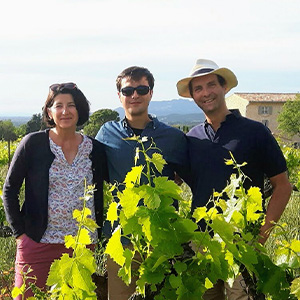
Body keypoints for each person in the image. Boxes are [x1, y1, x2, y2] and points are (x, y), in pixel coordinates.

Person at [176, 58, 292, 300]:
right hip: (201, 243)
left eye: (211, 85)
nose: (205, 93)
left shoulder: (255, 132)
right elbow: (177, 179)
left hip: (243, 241)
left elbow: (283, 186)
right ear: (193, 96)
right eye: (198, 88)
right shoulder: (192, 139)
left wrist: (260, 237)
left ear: (224, 87)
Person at [3, 83, 108, 299]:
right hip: (37, 243)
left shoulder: (95, 149)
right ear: (49, 112)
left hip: (81, 246)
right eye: (58, 105)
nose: (65, 111)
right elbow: (9, 189)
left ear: (80, 111)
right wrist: (20, 235)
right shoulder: (33, 144)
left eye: (71, 105)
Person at [96, 66, 189, 300]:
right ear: (119, 96)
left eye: (141, 89)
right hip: (123, 239)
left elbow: (193, 178)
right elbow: (94, 171)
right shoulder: (106, 133)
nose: (134, 95)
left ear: (151, 93)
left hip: (163, 240)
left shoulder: (174, 138)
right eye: (127, 90)